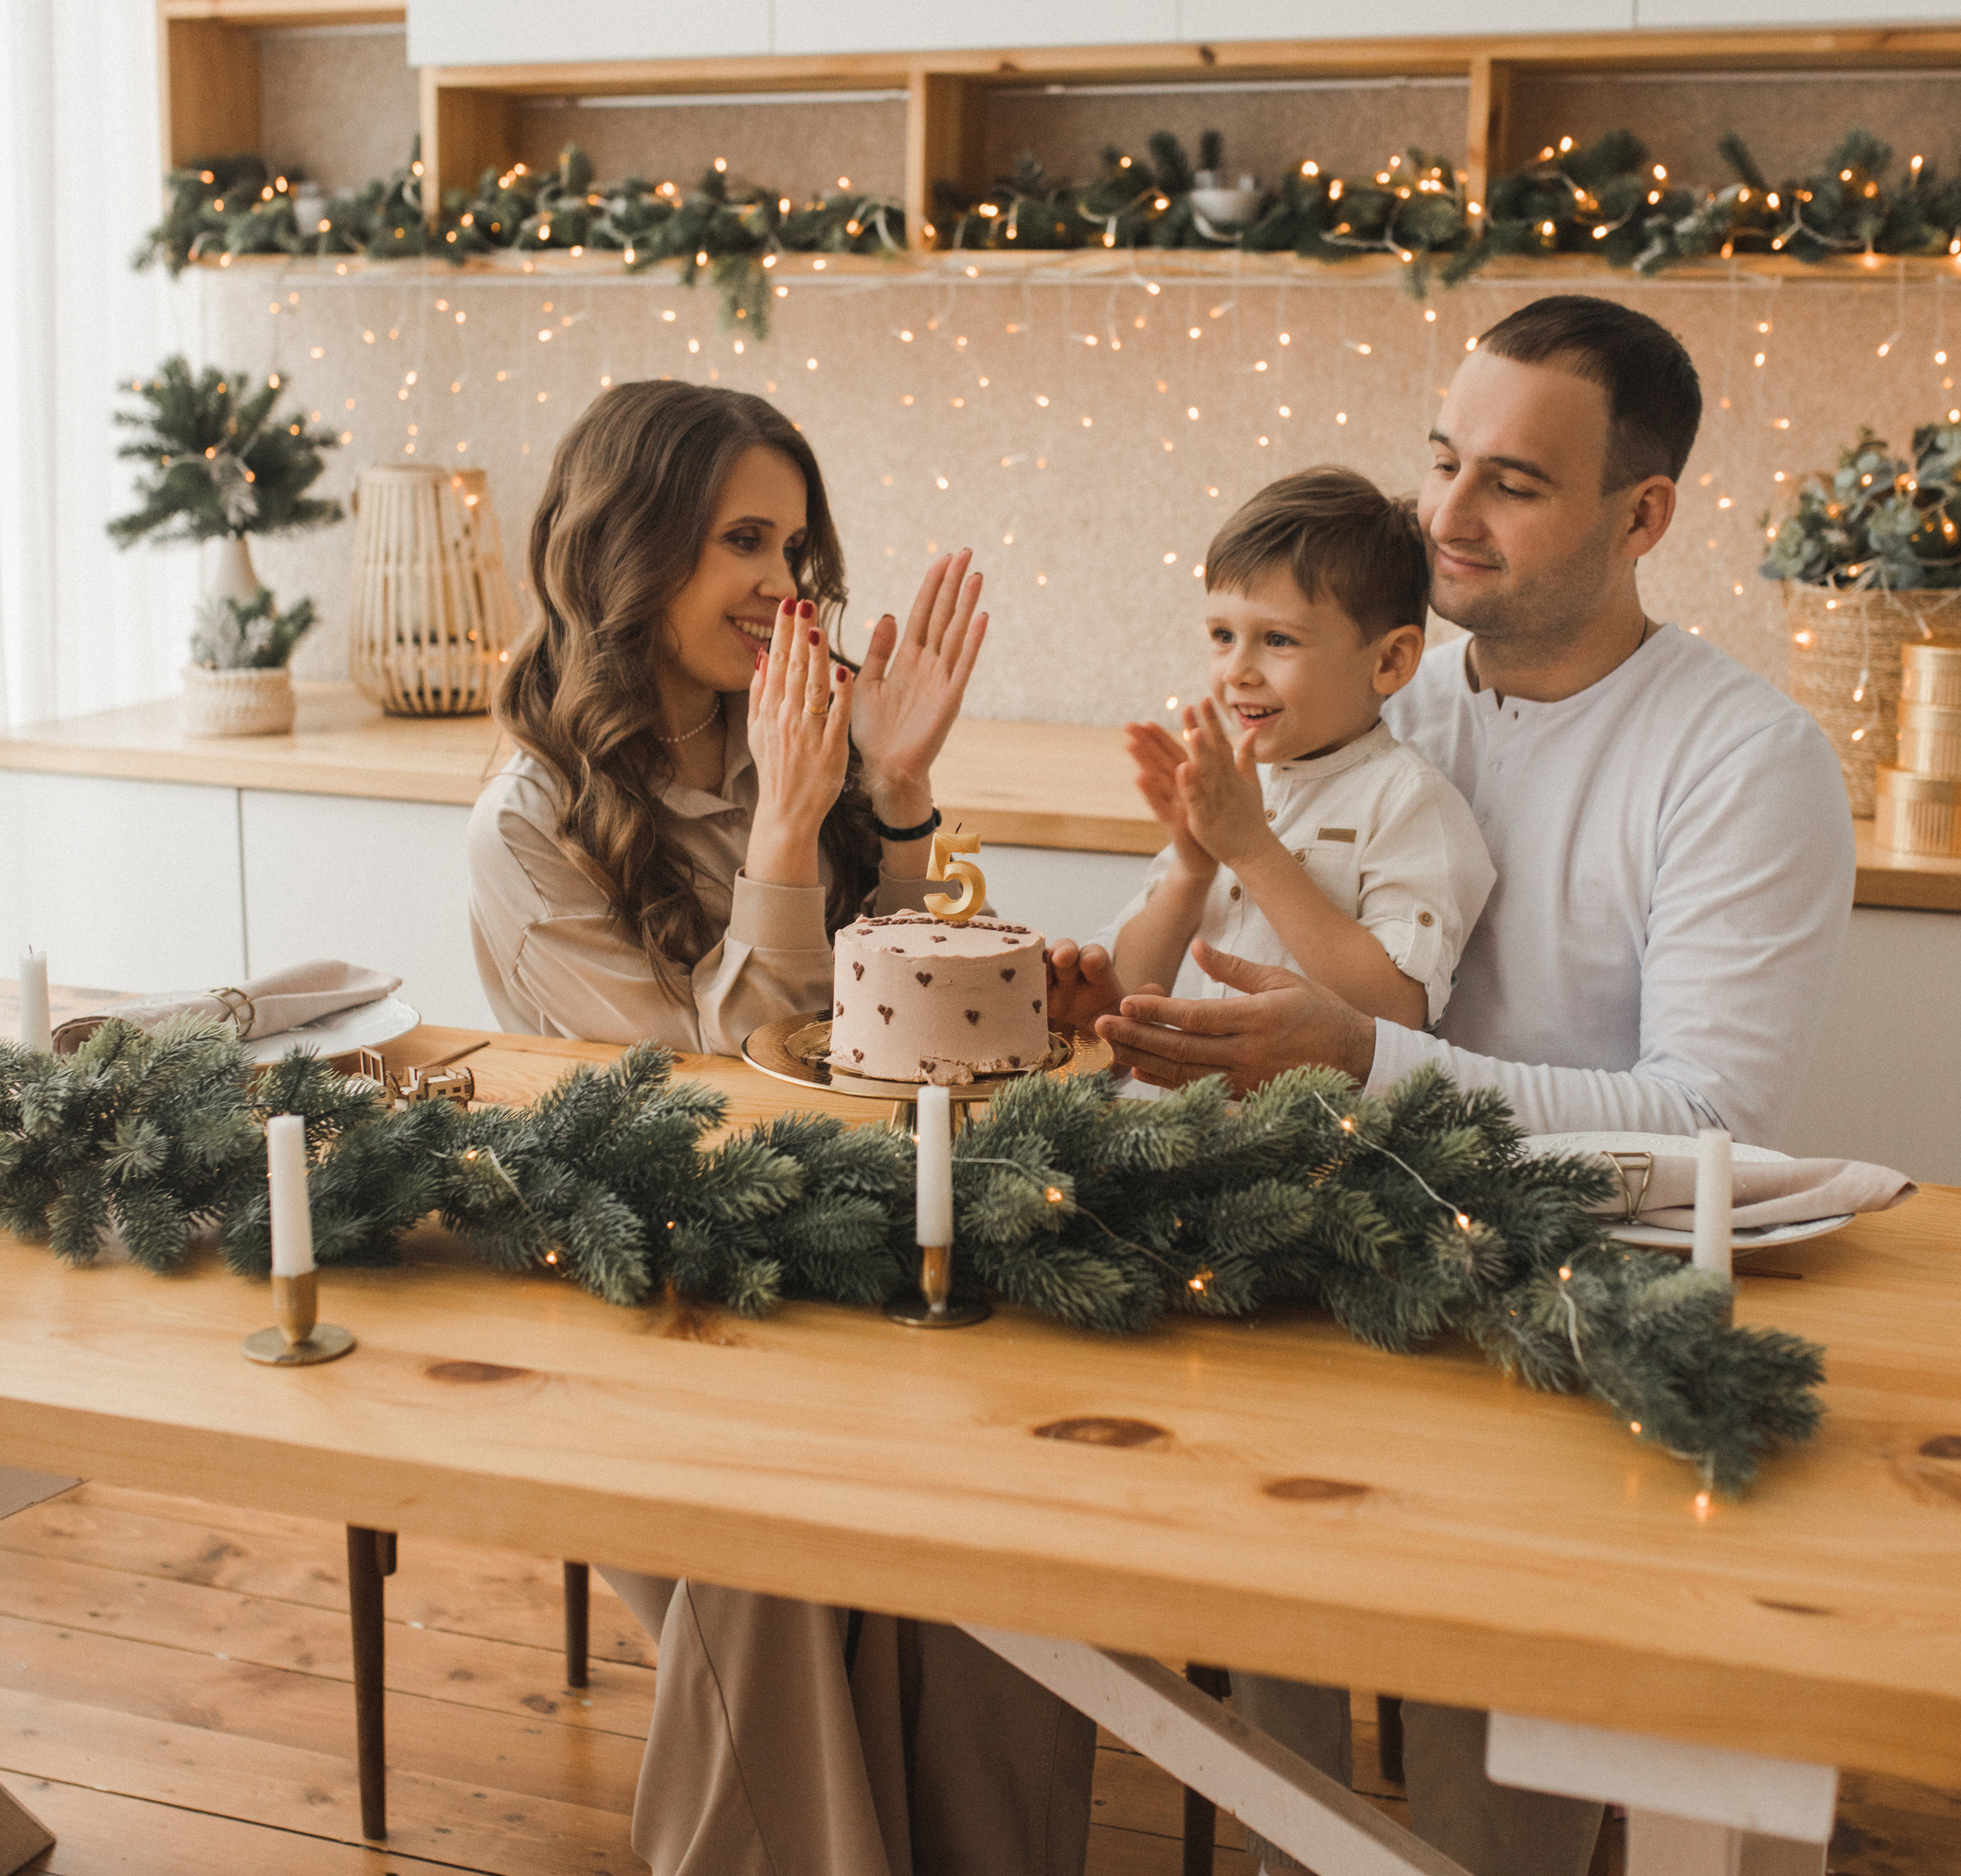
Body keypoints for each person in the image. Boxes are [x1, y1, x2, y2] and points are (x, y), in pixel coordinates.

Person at [1051, 296, 1857, 1876]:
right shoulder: (1361, 695)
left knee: (1499, 1778)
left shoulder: (1739, 761)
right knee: (1267, 1712)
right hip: (1300, 1271)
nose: (1445, 516)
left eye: (1510, 480)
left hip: (1573, 1298)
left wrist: (1367, 1057)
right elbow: (1215, 916)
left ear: (1641, 516)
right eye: (1439, 463)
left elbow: (1705, 1122)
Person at [468, 379, 1096, 1876]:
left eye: (795, 545)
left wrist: (895, 790)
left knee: (984, 1490)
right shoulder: (524, 827)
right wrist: (787, 835)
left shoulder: (790, 752)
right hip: (650, 1292)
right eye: (741, 538)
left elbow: (886, 1038)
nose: (781, 581)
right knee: (782, 1530)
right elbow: (709, 1118)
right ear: (630, 545)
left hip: (846, 1252)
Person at [1049, 466, 1494, 1046]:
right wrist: (1191, 866)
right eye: (1222, 636)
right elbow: (1127, 991)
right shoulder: (1223, 789)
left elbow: (1397, 1010)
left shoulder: (1411, 803)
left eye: (1278, 639)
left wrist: (1252, 849)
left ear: (1389, 662)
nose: (1237, 671)